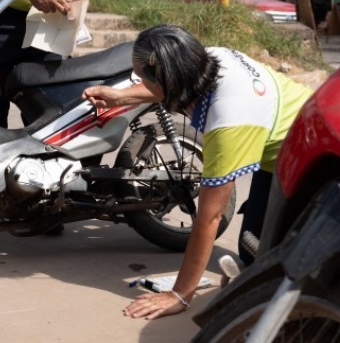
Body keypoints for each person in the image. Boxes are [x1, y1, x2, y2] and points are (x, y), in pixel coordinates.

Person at [82, 24, 313, 321]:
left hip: (306, 153)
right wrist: (120, 96)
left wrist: (179, 294)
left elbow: (210, 217)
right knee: (250, 247)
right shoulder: (208, 58)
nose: (138, 82)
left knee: (271, 259)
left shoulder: (229, 120)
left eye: (142, 77)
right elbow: (168, 84)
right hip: (284, 136)